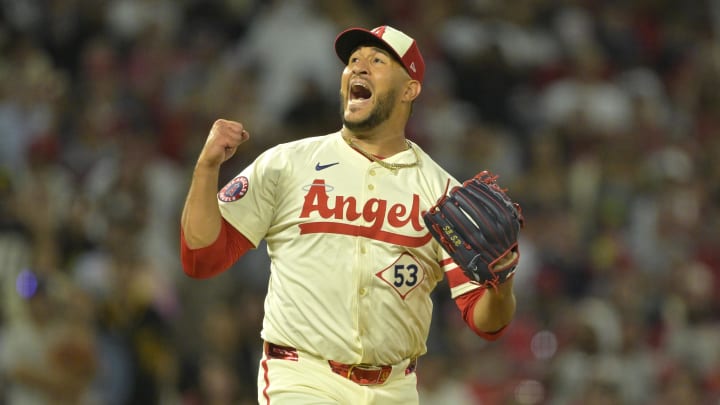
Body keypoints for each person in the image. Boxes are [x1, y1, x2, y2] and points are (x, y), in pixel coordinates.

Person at [180, 25, 517, 404]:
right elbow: (201, 257)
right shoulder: (287, 164)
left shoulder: (442, 194)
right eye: (353, 60)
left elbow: (485, 321)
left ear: (410, 89)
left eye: (377, 60)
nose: (358, 67)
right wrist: (207, 168)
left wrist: (501, 281)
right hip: (303, 377)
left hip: (396, 389)